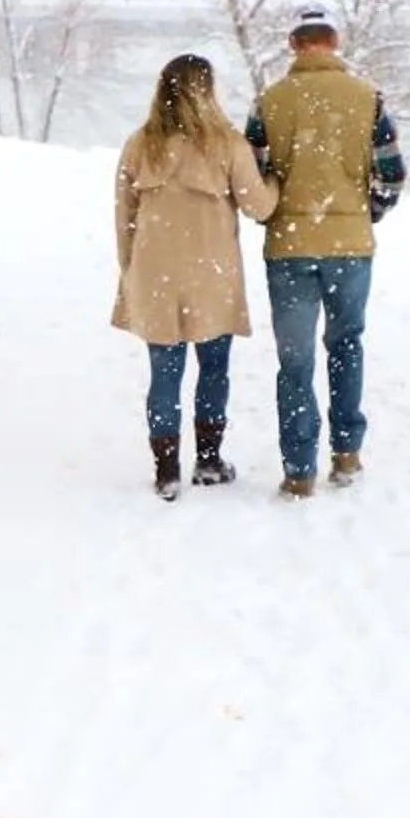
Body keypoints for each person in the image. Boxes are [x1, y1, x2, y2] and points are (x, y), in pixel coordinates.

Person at [247, 3, 408, 498]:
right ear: (334, 42)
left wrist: (276, 213)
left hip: (290, 248)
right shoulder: (368, 99)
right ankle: (346, 452)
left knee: (295, 362)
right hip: (350, 247)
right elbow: (392, 174)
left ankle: (299, 470)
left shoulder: (269, 102)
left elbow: (252, 178)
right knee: (346, 346)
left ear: (293, 45)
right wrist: (366, 213)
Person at [112, 54, 278, 501]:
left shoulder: (139, 145)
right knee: (214, 369)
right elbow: (260, 206)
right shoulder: (227, 145)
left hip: (155, 275)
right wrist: (277, 182)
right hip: (211, 276)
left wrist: (130, 270)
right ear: (208, 92)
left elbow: (125, 216)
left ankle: (166, 469)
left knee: (164, 374)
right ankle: (208, 459)